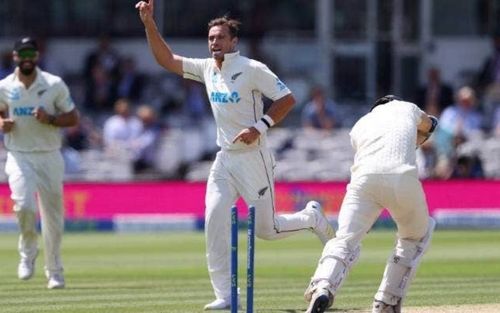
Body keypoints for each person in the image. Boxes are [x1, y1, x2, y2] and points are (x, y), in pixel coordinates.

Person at [135, 1, 335, 310]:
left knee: (267, 230)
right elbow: (167, 60)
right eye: (211, 38)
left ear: (233, 42)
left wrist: (259, 127)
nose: (214, 42)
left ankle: (312, 218)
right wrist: (149, 23)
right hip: (224, 158)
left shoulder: (252, 69)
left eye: (220, 38)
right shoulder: (206, 68)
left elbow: (287, 99)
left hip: (253, 157)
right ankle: (227, 296)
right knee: (214, 220)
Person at [303, 95, 437, 313]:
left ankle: (322, 287)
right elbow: (429, 124)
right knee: (415, 235)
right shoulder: (407, 107)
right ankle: (386, 301)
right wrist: (427, 129)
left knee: (345, 240)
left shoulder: (359, 125)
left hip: (363, 181)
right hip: (401, 177)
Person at [0, 37, 80, 289]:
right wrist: (1, 124)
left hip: (49, 155)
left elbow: (73, 117)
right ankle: (28, 252)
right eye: (22, 53)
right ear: (14, 56)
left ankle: (54, 270)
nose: (26, 58)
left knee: (53, 217)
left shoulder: (53, 84)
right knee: (23, 205)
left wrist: (51, 119)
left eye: (30, 54)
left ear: (36, 57)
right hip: (18, 154)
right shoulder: (4, 86)